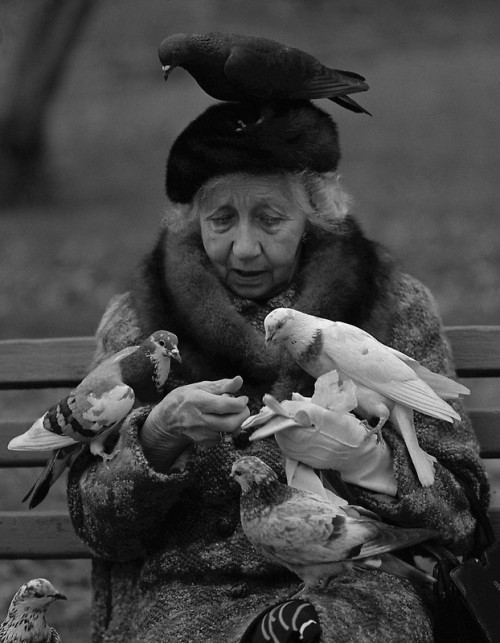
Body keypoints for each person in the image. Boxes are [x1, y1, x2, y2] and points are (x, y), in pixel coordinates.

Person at [66, 99, 489, 642]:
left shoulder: (390, 308)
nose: (244, 248)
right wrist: (157, 438)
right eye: (221, 219)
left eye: (269, 219)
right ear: (193, 221)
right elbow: (101, 530)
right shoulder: (141, 325)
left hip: (359, 583)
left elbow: (458, 518)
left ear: (315, 215)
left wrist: (366, 459)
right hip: (192, 594)